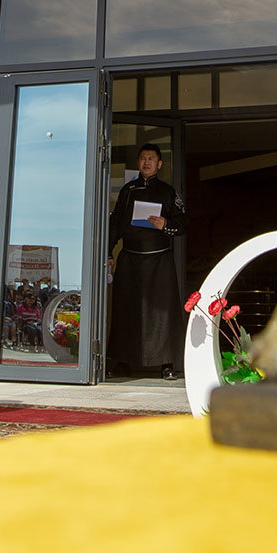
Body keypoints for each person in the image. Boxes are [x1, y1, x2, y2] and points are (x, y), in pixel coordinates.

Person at [106, 143, 186, 379]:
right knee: (126, 310)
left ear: (159, 164)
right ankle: (122, 362)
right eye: (143, 158)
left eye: (151, 159)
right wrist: (108, 252)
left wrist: (165, 224)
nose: (146, 162)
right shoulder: (127, 190)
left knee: (163, 313)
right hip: (130, 258)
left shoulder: (168, 192)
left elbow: (183, 224)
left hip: (159, 260)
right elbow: (115, 224)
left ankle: (167, 364)